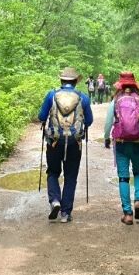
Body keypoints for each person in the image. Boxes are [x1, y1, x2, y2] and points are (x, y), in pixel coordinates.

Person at [38, 67, 93, 223]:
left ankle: (55, 200)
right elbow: (89, 121)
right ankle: (65, 213)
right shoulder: (83, 98)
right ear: (75, 81)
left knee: (53, 172)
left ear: (61, 80)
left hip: (54, 141)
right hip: (74, 142)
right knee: (70, 176)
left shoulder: (51, 95)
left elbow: (41, 116)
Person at [103, 71, 139, 225]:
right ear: (134, 84)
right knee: (138, 172)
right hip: (138, 141)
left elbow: (108, 121)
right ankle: (138, 200)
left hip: (121, 142)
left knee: (123, 177)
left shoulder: (116, 99)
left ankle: (128, 214)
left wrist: (106, 138)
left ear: (121, 84)